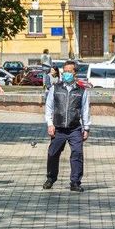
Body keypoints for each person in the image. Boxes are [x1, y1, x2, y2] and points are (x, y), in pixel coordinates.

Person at [43, 60, 91, 192]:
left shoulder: (81, 91)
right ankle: (51, 178)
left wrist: (86, 128)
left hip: (74, 128)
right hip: (58, 128)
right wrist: (50, 124)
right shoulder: (55, 88)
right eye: (64, 71)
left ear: (75, 73)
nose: (66, 74)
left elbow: (85, 110)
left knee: (77, 153)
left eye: (69, 71)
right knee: (53, 153)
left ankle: (75, 182)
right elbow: (49, 107)